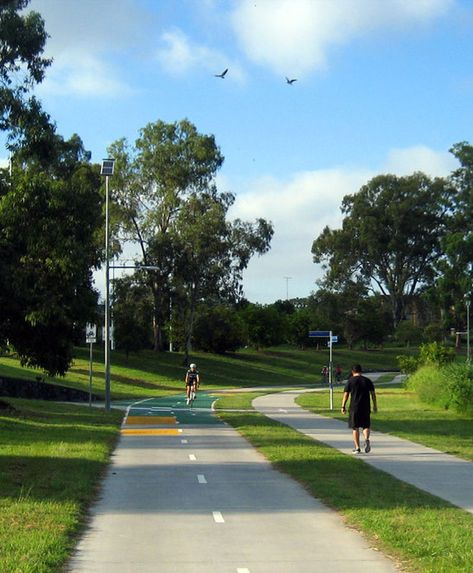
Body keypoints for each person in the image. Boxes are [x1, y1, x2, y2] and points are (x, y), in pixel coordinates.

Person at [341, 364, 377, 454]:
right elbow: (373, 394)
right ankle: (366, 439)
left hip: (354, 407)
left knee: (355, 427)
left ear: (352, 371)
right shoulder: (367, 381)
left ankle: (357, 448)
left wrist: (343, 406)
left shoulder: (350, 381)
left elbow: (346, 395)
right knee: (366, 425)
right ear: (361, 371)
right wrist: (375, 405)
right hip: (366, 406)